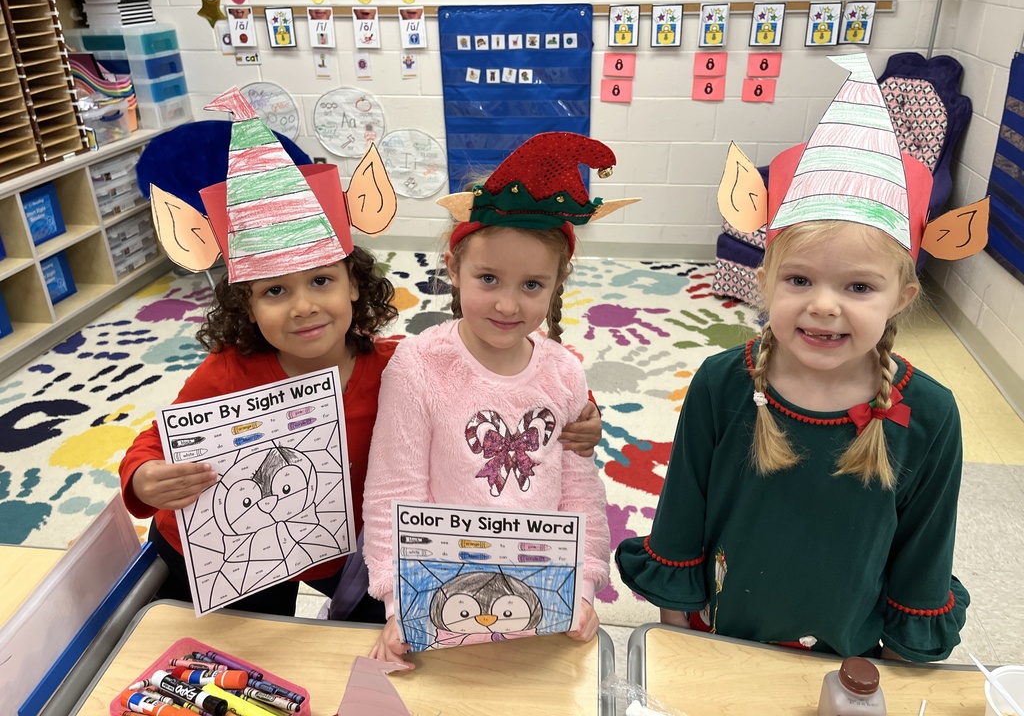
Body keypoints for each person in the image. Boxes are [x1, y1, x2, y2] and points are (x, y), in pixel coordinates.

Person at [119, 97, 602, 618]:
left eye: (321, 281)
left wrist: (583, 413)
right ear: (246, 304)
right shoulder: (227, 371)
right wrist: (145, 476)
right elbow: (159, 439)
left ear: (353, 284)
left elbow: (490, 377)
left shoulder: (395, 364)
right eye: (275, 291)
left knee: (396, 624)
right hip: (223, 550)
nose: (303, 307)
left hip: (336, 547)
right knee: (236, 645)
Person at [616, 53, 989, 663]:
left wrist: (899, 659)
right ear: (764, 280)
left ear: (903, 297)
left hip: (849, 653)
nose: (823, 306)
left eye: (858, 287)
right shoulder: (722, 383)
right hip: (722, 634)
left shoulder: (931, 413)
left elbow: (926, 545)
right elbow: (683, 507)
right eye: (798, 280)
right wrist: (678, 622)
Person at [362, 132, 643, 667]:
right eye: (488, 278)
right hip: (438, 593)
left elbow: (580, 491)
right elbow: (394, 491)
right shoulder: (419, 365)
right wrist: (400, 601)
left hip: (542, 595)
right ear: (453, 269)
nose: (508, 305)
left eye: (532, 285)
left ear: (558, 281)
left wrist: (583, 586)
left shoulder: (564, 372)